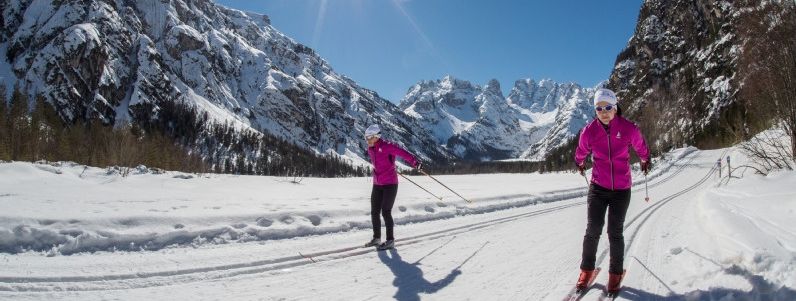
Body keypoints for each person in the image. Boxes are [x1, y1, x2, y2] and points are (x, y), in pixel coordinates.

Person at [574, 88, 651, 294]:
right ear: (595, 110)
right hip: (598, 187)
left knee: (614, 232)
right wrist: (579, 162)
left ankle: (615, 274)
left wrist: (645, 159)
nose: (604, 112)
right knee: (592, 231)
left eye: (608, 107)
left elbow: (640, 145)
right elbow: (581, 150)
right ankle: (586, 270)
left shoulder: (628, 128)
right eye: (599, 108)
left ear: (615, 107)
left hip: (621, 189)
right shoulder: (589, 131)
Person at [363, 124, 422, 250]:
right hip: (377, 183)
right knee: (374, 212)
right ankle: (377, 238)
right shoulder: (371, 148)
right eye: (366, 138)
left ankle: (390, 240)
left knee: (386, 211)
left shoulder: (387, 146)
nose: (367, 140)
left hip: (390, 184)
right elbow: (380, 162)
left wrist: (415, 162)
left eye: (368, 138)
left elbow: (402, 153)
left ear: (376, 137)